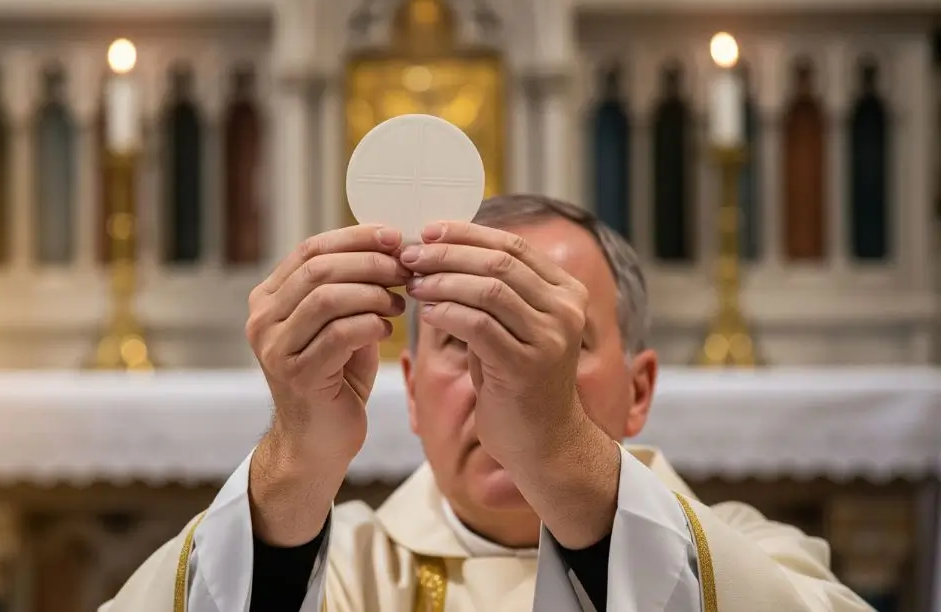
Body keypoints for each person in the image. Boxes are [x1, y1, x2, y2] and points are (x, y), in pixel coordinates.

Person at [101, 194, 872, 611]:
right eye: (461, 343)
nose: (497, 377)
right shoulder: (343, 575)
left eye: (546, 337)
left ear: (638, 391)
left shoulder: (755, 558)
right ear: (409, 392)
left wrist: (559, 449)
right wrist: (294, 457)